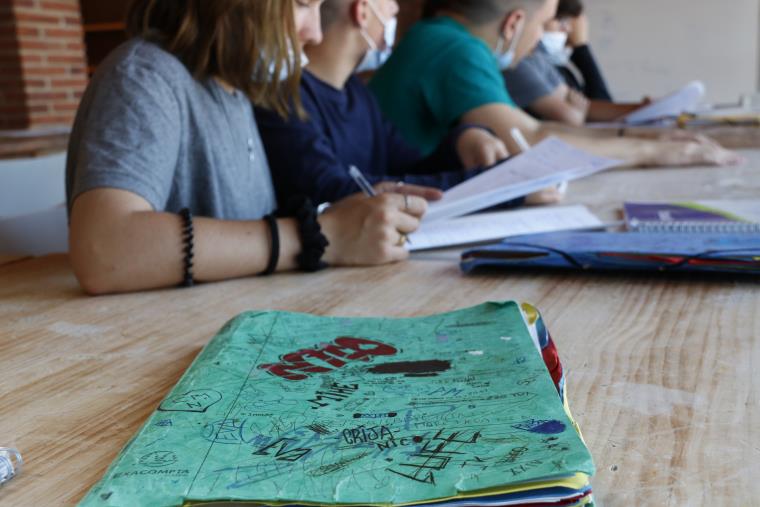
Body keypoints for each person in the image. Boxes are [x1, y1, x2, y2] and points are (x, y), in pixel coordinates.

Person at [66, 0, 428, 295]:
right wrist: (320, 236)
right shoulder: (145, 76)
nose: (315, 34)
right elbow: (103, 250)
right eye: (303, 5)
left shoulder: (237, 93)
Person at [369, 0, 740, 167]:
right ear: (513, 23)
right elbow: (530, 142)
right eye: (542, 23)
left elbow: (536, 130)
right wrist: (653, 152)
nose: (538, 42)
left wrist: (649, 138)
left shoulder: (440, 37)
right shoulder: (454, 49)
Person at [254, 0, 522, 207]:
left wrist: (463, 140)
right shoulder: (282, 98)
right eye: (389, 0)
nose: (395, 8)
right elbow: (336, 192)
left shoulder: (356, 91)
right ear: (363, 10)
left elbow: (407, 167)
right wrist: (500, 186)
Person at [503, 0, 648, 125]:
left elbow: (587, 108)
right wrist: (581, 47)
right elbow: (568, 117)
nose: (568, 30)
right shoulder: (514, 64)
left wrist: (645, 109)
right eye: (559, 20)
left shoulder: (537, 59)